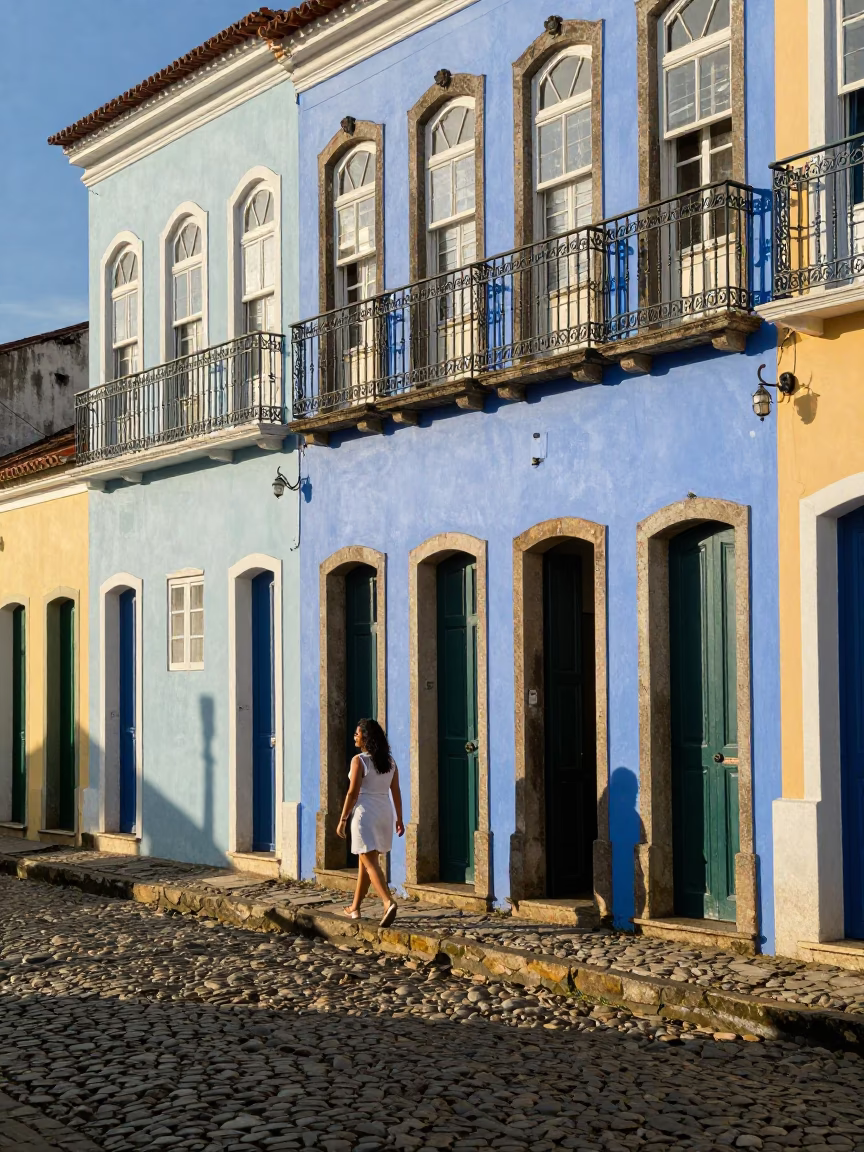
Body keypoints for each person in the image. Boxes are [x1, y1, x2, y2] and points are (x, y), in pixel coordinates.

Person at [337, 717, 403, 926]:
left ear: (366, 737)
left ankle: (387, 902)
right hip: (384, 812)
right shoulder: (390, 762)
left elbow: (352, 792)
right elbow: (396, 791)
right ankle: (354, 907)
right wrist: (399, 818)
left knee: (370, 862)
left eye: (358, 733)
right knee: (363, 861)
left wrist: (343, 818)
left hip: (364, 814)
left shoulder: (359, 761)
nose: (355, 736)